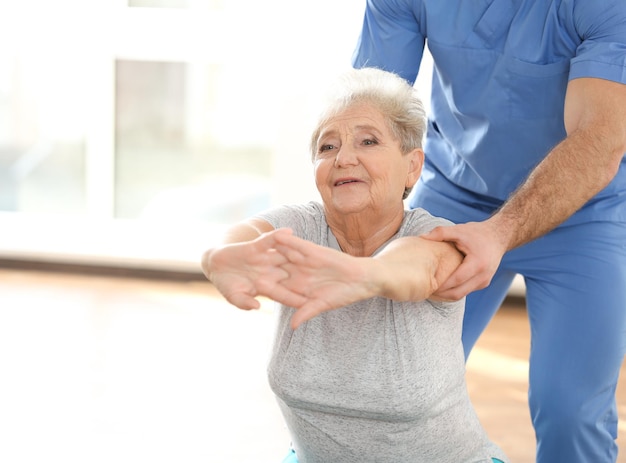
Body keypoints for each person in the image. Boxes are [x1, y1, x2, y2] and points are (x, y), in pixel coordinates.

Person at [351, 1, 626, 462]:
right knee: (389, 383)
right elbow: (370, 115)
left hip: (586, 210)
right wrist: (344, 245)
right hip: (453, 192)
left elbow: (600, 138)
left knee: (569, 410)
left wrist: (499, 233)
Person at [201, 67, 508, 463]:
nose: (344, 158)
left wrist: (364, 275)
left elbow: (423, 266)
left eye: (368, 141)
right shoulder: (300, 227)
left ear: (412, 167)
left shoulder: (434, 235)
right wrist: (219, 258)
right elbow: (236, 236)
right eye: (327, 147)